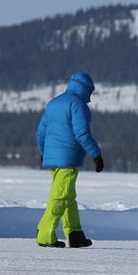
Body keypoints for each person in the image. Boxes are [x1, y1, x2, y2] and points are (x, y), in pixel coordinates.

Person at [35, 72, 104, 248]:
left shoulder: (54, 103)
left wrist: (44, 152)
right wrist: (96, 155)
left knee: (68, 197)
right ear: (86, 89)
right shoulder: (78, 105)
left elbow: (41, 133)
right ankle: (44, 234)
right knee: (59, 197)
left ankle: (75, 234)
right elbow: (82, 134)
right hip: (68, 159)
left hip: (53, 159)